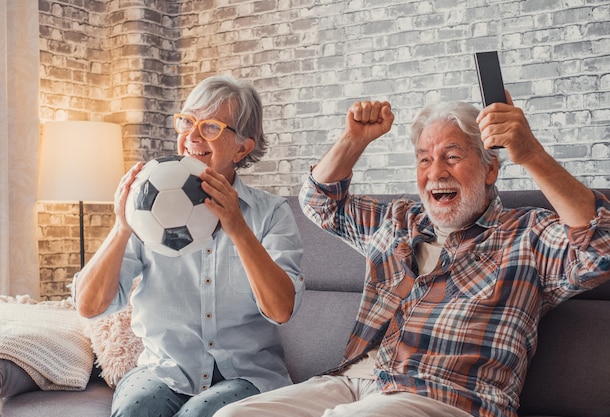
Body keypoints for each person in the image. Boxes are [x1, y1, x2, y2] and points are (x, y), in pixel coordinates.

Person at [213, 92, 610, 417]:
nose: (435, 172)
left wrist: (530, 154)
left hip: (449, 397)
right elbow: (318, 201)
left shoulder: (529, 234)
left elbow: (600, 246)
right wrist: (354, 138)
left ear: (490, 170)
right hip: (355, 385)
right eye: (424, 158)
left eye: (452, 157)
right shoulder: (399, 220)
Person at [72, 75, 305, 417]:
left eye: (210, 127)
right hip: (162, 372)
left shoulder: (271, 214)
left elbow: (281, 310)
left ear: (243, 147)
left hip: (247, 376)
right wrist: (123, 226)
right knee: (136, 410)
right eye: (187, 122)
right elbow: (89, 307)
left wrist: (237, 228)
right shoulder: (147, 207)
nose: (192, 136)